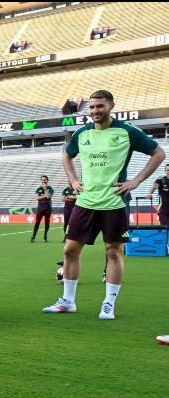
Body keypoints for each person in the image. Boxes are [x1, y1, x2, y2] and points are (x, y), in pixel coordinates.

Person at [43, 90, 165, 320]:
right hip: (86, 201)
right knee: (69, 250)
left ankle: (108, 304)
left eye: (100, 106)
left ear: (111, 106)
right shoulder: (82, 134)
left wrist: (136, 180)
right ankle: (68, 301)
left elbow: (158, 153)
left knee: (113, 252)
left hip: (114, 201)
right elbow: (66, 155)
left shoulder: (127, 132)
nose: (95, 111)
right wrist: (73, 179)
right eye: (91, 107)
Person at [145, 163, 169, 229]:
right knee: (165, 228)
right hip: (163, 209)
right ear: (165, 171)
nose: (168, 172)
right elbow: (155, 186)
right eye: (167, 170)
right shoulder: (161, 179)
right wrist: (149, 193)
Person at [30, 175, 53, 243]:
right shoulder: (38, 189)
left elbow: (48, 196)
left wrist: (45, 190)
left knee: (47, 223)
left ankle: (45, 237)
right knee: (37, 223)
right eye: (42, 180)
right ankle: (33, 237)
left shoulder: (50, 188)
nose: (43, 181)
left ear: (47, 180)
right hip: (40, 208)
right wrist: (44, 196)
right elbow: (37, 198)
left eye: (45, 180)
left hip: (48, 208)